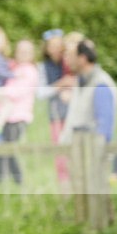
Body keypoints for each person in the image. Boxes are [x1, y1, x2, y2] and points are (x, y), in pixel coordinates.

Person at [0, 39, 39, 184]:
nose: (22, 54)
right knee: (1, 150)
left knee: (11, 151)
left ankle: (19, 182)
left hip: (18, 117)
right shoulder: (14, 69)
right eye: (20, 51)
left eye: (26, 51)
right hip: (6, 117)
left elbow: (17, 92)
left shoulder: (30, 71)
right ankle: (1, 181)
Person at [61, 39, 117, 145]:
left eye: (71, 56)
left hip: (91, 155)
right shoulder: (80, 81)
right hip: (78, 153)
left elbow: (104, 128)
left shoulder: (101, 84)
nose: (67, 61)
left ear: (82, 59)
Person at [36, 28, 74, 184]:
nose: (56, 49)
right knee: (60, 152)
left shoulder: (71, 62)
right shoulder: (42, 67)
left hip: (73, 114)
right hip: (56, 115)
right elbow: (40, 93)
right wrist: (60, 85)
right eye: (52, 45)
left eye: (59, 45)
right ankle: (63, 184)